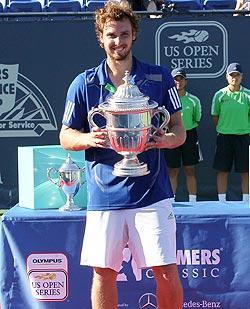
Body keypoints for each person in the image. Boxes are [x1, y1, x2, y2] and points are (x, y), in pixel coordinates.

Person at [60, 1, 185, 308]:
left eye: (124, 34)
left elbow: (180, 131)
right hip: (105, 194)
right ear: (101, 37)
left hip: (152, 193)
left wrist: (165, 140)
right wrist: (91, 137)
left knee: (166, 272)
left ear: (134, 35)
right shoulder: (84, 83)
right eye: (111, 35)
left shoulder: (159, 77)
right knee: (104, 273)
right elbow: (65, 135)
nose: (118, 41)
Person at [211, 62, 250, 203]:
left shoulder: (248, 95)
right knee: (222, 170)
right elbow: (215, 116)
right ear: (227, 77)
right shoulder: (219, 95)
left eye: (237, 75)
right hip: (224, 137)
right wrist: (224, 128)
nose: (235, 78)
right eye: (232, 75)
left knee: (246, 171)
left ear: (242, 77)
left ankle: (246, 200)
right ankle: (222, 201)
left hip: (244, 138)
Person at [164, 68, 202, 203]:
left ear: (186, 81)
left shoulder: (194, 100)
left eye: (181, 79)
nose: (178, 82)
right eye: (175, 79)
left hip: (190, 135)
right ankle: (171, 201)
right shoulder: (166, 100)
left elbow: (197, 119)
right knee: (172, 170)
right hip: (171, 136)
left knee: (190, 170)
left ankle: (193, 201)